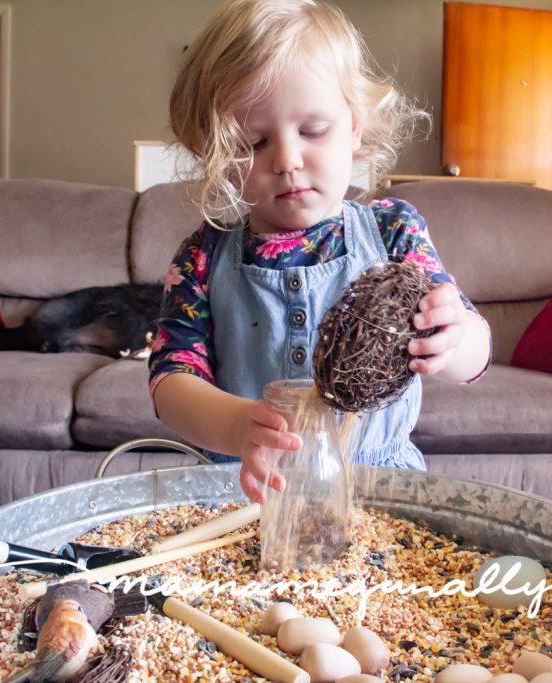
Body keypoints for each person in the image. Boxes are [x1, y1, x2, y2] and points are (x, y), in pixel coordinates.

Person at [149, 0, 491, 504]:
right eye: (253, 142)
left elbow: (476, 356)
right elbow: (171, 382)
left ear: (353, 126)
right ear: (216, 153)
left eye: (313, 130)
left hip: (381, 493)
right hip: (245, 497)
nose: (287, 160)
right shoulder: (203, 254)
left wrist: (453, 339)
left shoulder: (394, 232)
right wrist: (236, 426)